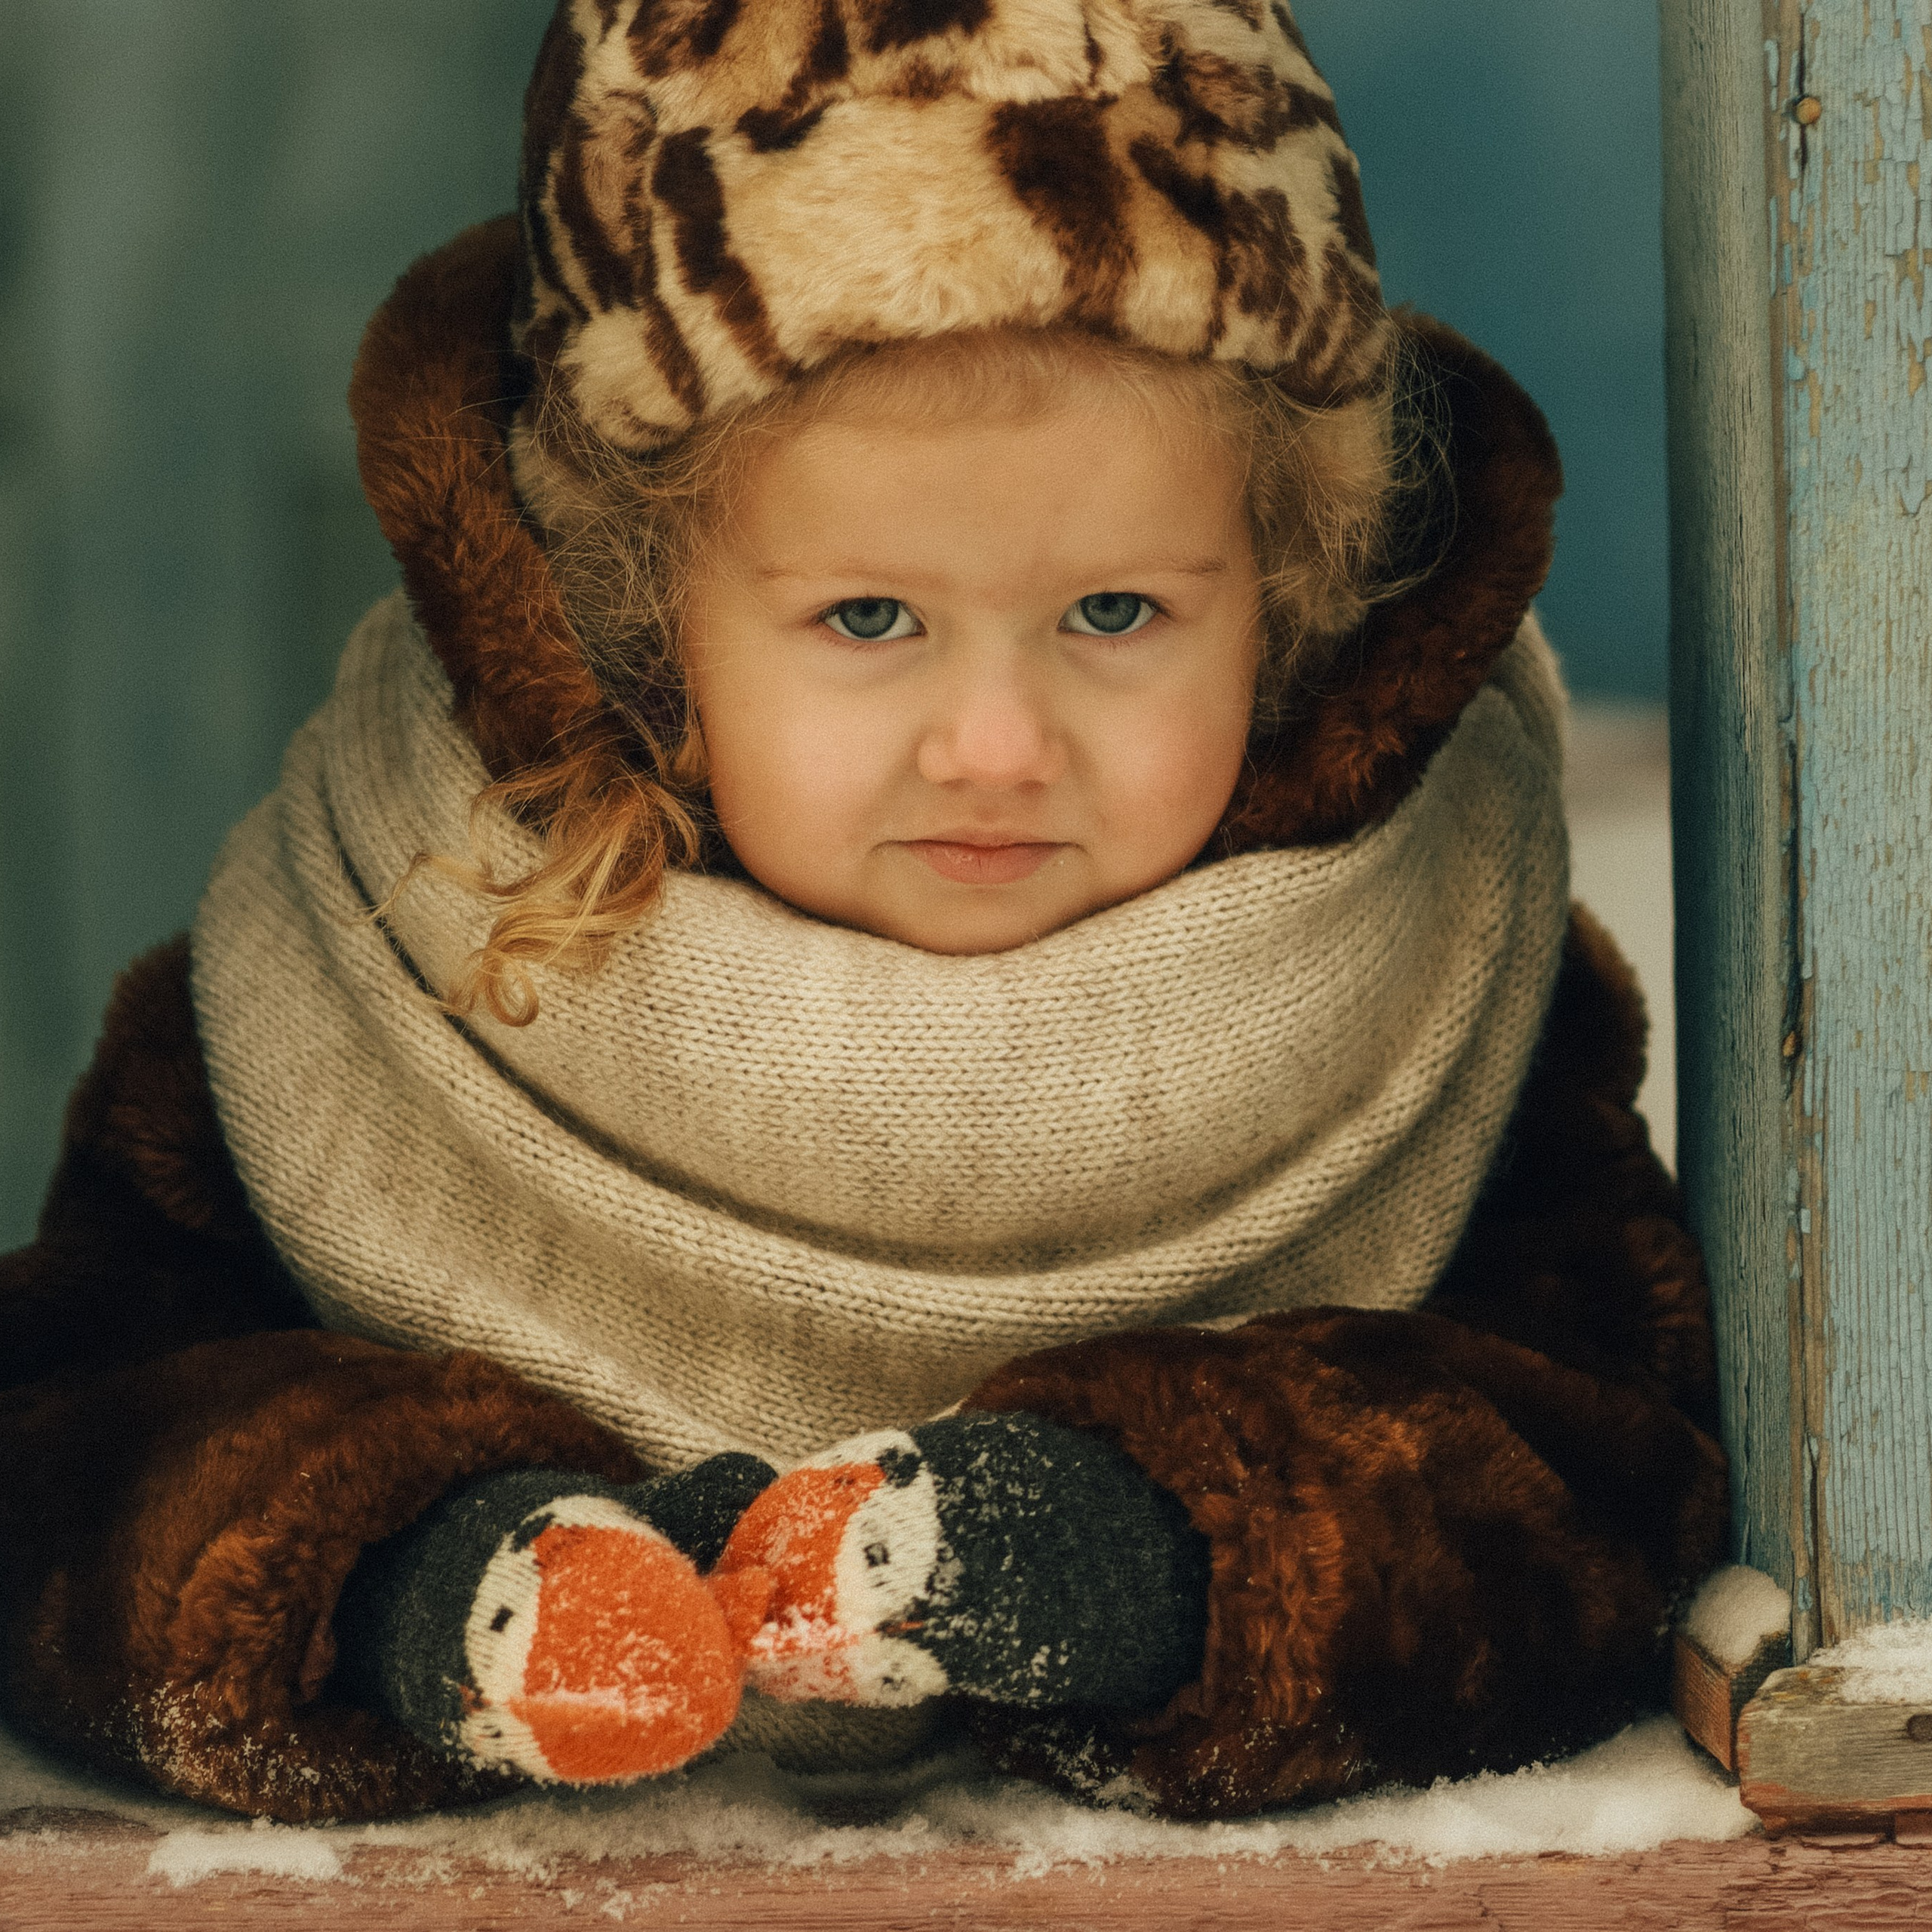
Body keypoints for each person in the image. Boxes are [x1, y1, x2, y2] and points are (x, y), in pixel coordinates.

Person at [0, 0, 1727, 1824]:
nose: (995, 746)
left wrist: (1124, 1554)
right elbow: (87, 1459)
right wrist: (424, 1580)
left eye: (1118, 616)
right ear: (644, 616)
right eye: (869, 622)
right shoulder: (371, 957)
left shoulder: (1446, 973)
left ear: (1284, 595)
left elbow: (1585, 1467)